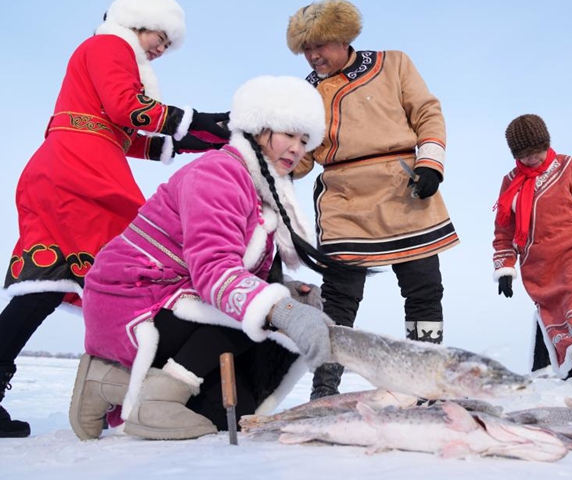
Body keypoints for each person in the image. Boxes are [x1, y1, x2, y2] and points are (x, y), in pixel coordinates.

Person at [69, 74, 365, 441]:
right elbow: (214, 271)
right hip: (134, 299)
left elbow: (230, 270)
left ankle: (109, 381)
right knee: (265, 310)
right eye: (289, 134)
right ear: (259, 129)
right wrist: (285, 310)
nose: (297, 148)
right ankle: (161, 396)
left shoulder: (259, 193)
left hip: (180, 300)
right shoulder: (218, 173)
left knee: (230, 410)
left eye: (305, 141)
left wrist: (290, 294)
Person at [0, 0, 231, 438]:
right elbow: (129, 109)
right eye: (158, 37)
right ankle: (150, 388)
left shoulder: (105, 60)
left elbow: (126, 136)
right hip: (78, 173)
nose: (161, 47)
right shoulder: (110, 45)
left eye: (167, 42)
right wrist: (201, 120)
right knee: (138, 271)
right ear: (136, 23)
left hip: (77, 166)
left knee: (49, 287)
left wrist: (204, 139)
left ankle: (126, 385)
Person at [286, 0, 460, 400]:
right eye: (306, 49)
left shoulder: (394, 63)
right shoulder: (305, 93)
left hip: (405, 188)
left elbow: (427, 113)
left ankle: (427, 380)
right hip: (344, 199)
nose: (314, 56)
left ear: (344, 38)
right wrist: (270, 153)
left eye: (321, 45)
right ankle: (325, 386)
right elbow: (302, 158)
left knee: (423, 288)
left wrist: (431, 164)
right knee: (340, 297)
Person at [492, 114, 572, 381]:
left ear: (546, 143)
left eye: (537, 151)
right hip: (538, 265)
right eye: (525, 155)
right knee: (553, 310)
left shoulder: (571, 167)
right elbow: (504, 229)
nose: (532, 159)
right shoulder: (510, 183)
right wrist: (505, 267)